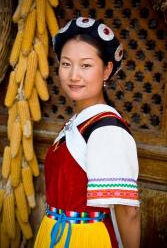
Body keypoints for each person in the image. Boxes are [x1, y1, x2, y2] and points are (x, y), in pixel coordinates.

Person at [34, 17, 140, 248]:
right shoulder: (77, 123)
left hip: (86, 239)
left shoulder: (107, 130)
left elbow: (127, 212)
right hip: (56, 233)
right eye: (66, 64)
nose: (73, 75)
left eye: (86, 65)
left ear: (107, 70)